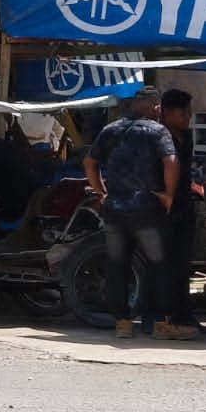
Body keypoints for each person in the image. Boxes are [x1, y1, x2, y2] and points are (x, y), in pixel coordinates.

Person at [83, 88, 183, 340]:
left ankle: (123, 323)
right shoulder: (158, 132)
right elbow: (171, 162)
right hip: (146, 208)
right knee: (159, 264)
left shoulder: (111, 129)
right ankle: (161, 323)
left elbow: (89, 162)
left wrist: (101, 192)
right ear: (155, 107)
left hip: (115, 209)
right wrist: (169, 194)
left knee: (117, 265)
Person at [159, 89, 203, 334]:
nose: (187, 116)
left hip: (185, 207)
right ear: (166, 112)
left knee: (183, 263)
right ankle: (162, 316)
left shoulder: (186, 136)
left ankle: (183, 314)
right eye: (182, 112)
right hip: (163, 209)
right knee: (164, 264)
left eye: (189, 112)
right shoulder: (158, 136)